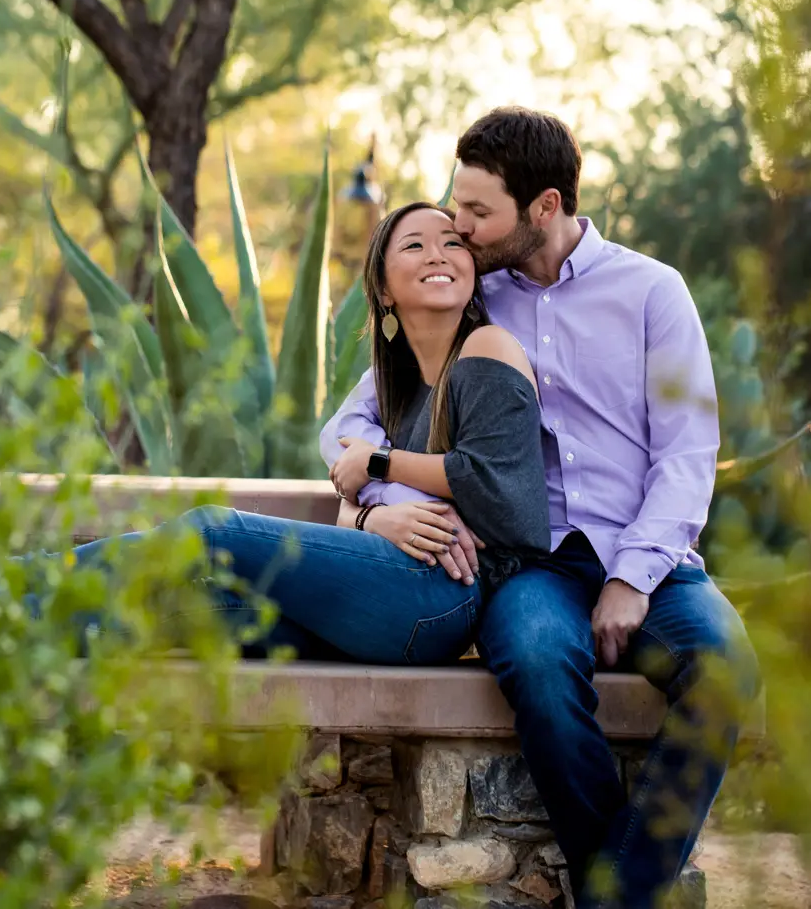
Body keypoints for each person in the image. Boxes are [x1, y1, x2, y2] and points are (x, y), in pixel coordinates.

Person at [321, 107, 760, 909]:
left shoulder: (653, 292)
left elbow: (688, 454)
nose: (459, 228)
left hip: (650, 559)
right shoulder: (475, 299)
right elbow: (352, 425)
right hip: (531, 563)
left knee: (727, 667)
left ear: (546, 207)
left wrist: (631, 578)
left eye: (478, 213)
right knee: (537, 663)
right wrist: (380, 498)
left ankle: (612, 896)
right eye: (458, 207)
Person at [11, 201, 552, 667]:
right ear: (384, 290)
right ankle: (4, 630)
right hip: (394, 601)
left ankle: (7, 590)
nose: (438, 253)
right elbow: (347, 475)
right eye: (415, 245)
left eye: (452, 242)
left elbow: (503, 494)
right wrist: (373, 514)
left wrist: (381, 465)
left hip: (438, 596)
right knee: (199, 609)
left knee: (213, 529)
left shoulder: (486, 349)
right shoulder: (393, 389)